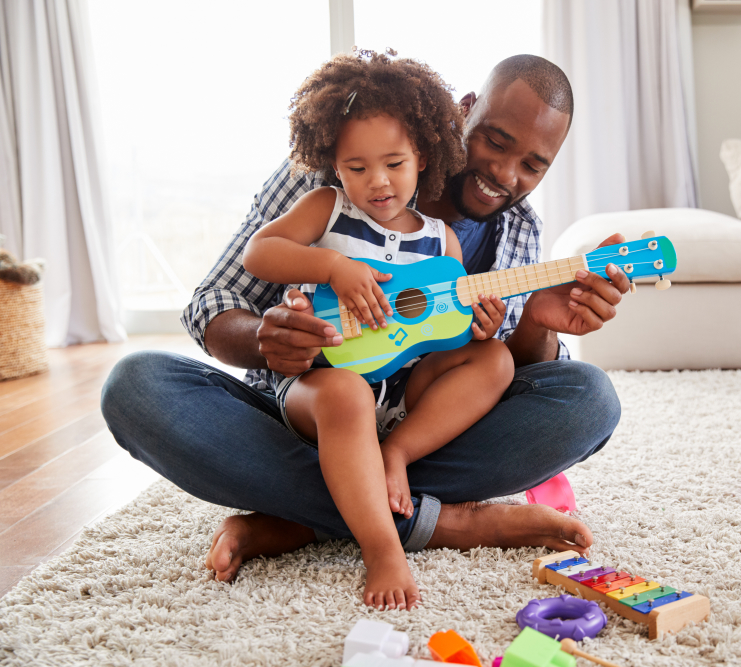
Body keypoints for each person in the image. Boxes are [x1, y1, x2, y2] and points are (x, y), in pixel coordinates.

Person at [100, 54, 631, 611]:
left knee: (589, 399)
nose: (506, 174)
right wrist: (266, 339)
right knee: (136, 386)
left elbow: (506, 374)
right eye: (496, 143)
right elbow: (213, 302)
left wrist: (539, 323)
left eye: (533, 165)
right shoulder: (331, 171)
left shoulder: (513, 229)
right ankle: (439, 522)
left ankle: (306, 518)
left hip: (414, 424)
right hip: (307, 408)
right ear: (465, 112)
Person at [242, 52, 515, 609]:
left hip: (401, 397)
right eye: (357, 167)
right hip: (324, 388)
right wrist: (331, 268)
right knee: (345, 394)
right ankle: (383, 547)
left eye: (394, 162)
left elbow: (441, 329)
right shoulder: (328, 208)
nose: (378, 181)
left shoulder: (442, 240)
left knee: (498, 363)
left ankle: (394, 458)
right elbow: (259, 253)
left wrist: (480, 328)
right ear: (334, 165)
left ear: (425, 155)